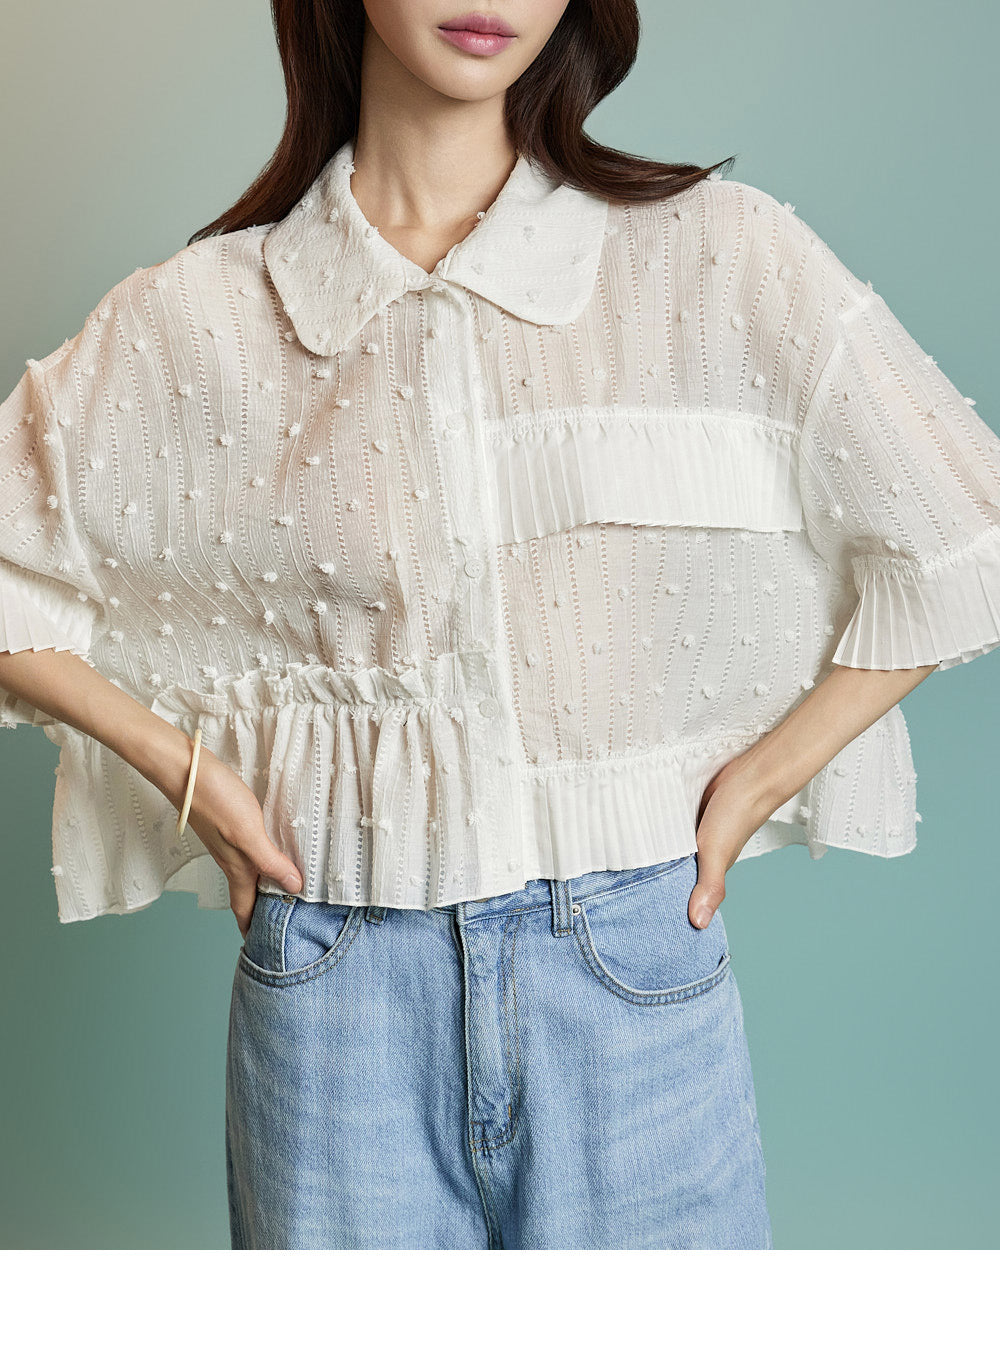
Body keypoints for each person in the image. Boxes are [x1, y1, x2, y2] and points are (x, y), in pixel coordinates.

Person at [1, 0, 998, 1251]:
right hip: (334, 993)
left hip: (630, 974)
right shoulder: (201, 315)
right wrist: (187, 771)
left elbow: (960, 532)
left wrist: (760, 779)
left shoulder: (716, 256)